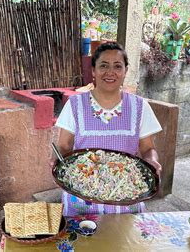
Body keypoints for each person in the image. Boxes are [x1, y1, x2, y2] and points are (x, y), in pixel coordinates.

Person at [51, 42, 163, 216]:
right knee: (82, 242)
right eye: (104, 65)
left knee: (125, 242)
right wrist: (56, 159)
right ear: (94, 70)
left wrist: (152, 160)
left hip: (126, 196)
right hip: (81, 197)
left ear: (125, 71)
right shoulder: (75, 105)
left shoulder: (140, 107)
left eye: (117, 66)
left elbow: (148, 149)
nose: (110, 72)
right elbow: (63, 147)